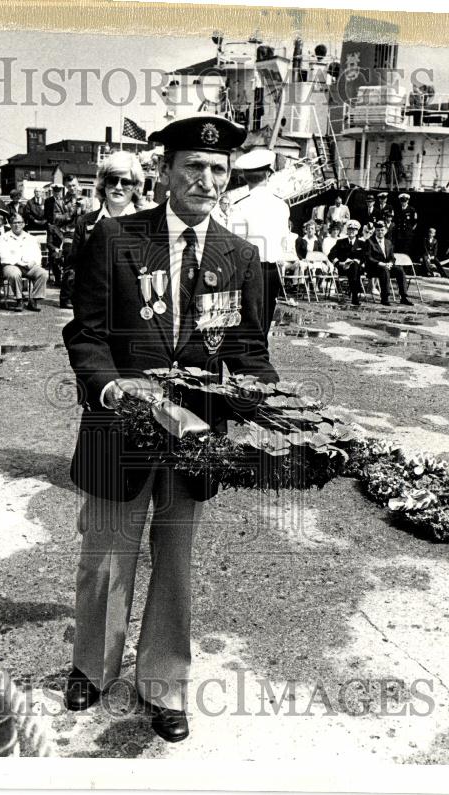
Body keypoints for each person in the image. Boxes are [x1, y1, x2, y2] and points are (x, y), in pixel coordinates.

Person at [62, 114, 276, 744]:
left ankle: (164, 684)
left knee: (176, 563)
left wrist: (270, 402)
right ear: (164, 173)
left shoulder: (241, 258)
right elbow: (87, 334)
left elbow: (249, 350)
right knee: (105, 555)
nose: (206, 179)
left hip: (195, 439)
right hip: (118, 429)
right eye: (193, 166)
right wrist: (109, 388)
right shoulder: (115, 239)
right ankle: (91, 668)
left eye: (217, 169)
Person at [231, 148, 291, 333]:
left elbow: (235, 245)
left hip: (247, 271)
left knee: (245, 326)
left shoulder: (240, 206)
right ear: (269, 173)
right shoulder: (281, 205)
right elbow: (283, 242)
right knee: (263, 326)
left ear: (244, 176)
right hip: (271, 271)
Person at [69, 150, 145, 289]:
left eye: (126, 182)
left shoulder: (147, 222)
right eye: (112, 180)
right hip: (94, 305)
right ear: (104, 183)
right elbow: (73, 267)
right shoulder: (85, 222)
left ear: (135, 187)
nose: (118, 187)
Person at [0, 213, 48, 312]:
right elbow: (3, 254)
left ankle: (33, 300)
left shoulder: (31, 238)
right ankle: (19, 300)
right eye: (14, 223)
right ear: (10, 224)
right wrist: (19, 262)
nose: (17, 225)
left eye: (19, 222)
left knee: (43, 273)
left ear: (24, 224)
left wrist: (33, 262)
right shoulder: (4, 237)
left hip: (29, 266)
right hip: (11, 265)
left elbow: (37, 254)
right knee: (15, 274)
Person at [364, 219, 412, 306]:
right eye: (378, 230)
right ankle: (385, 298)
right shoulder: (369, 241)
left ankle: (403, 297)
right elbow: (368, 257)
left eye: (382, 230)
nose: (380, 232)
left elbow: (392, 258)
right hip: (374, 268)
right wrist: (380, 263)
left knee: (400, 270)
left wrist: (390, 263)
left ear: (385, 231)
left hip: (386, 266)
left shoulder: (388, 242)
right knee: (384, 270)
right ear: (375, 231)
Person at [329, 220, 366, 306]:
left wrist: (359, 261)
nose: (351, 231)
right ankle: (355, 294)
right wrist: (338, 263)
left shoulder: (361, 243)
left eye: (354, 230)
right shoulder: (341, 242)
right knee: (354, 269)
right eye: (350, 229)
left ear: (357, 232)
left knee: (354, 266)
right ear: (347, 231)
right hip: (343, 268)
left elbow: (365, 256)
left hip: (358, 268)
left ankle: (354, 295)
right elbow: (331, 255)